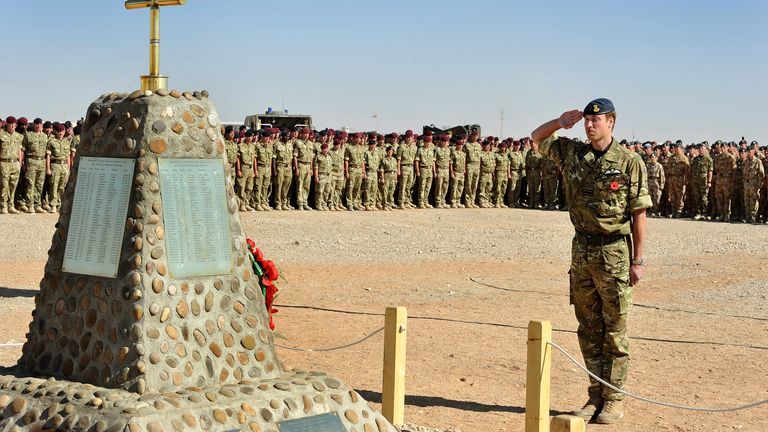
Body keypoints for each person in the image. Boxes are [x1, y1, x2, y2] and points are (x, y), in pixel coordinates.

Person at [531, 98, 651, 424]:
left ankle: (614, 399)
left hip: (614, 252)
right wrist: (559, 121)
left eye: (596, 120)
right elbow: (537, 139)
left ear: (611, 122)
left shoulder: (629, 162)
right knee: (588, 328)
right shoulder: (574, 153)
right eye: (586, 120)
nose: (589, 125)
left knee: (614, 330)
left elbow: (639, 213)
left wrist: (638, 261)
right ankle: (594, 395)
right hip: (581, 250)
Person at [0, 117, 24, 214]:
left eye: (14, 124)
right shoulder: (1, 135)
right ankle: (3, 206)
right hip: (4, 162)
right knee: (4, 185)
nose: (12, 126)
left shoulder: (19, 136)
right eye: (10, 124)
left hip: (15, 163)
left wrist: (20, 162)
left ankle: (11, 205)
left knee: (13, 185)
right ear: (7, 125)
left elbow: (19, 149)